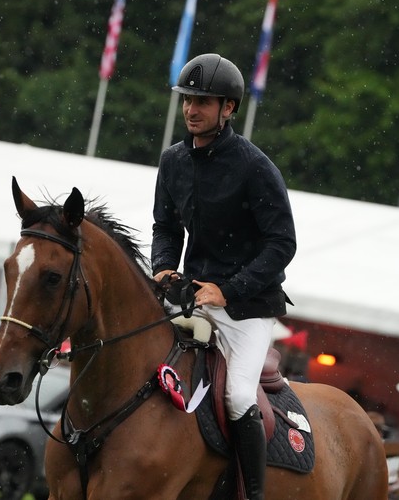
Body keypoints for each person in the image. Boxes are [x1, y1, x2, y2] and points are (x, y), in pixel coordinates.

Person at [151, 53, 296, 500]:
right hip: (192, 297)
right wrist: (163, 267)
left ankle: (252, 495)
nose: (192, 109)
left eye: (204, 101)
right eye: (187, 100)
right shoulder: (173, 161)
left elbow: (282, 244)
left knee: (236, 397)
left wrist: (228, 290)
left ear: (228, 108)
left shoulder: (254, 167)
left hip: (248, 308)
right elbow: (166, 228)